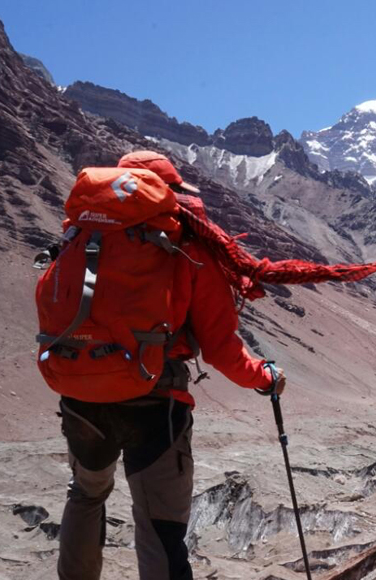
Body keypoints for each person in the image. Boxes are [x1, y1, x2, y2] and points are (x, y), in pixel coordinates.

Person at [56, 151, 285, 580]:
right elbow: (220, 349)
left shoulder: (82, 233)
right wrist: (264, 377)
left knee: (85, 495)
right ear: (170, 191)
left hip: (82, 396)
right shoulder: (185, 243)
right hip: (155, 403)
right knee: (157, 523)